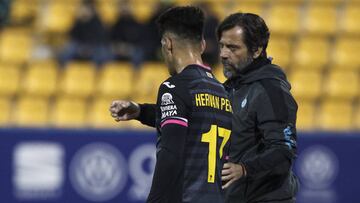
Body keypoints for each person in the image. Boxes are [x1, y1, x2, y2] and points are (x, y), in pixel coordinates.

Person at [109, 6, 232, 203]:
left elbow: (171, 153)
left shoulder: (174, 87)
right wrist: (141, 111)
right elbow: (194, 119)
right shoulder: (223, 92)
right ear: (201, 45)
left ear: (167, 44)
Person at [218, 13, 299, 203]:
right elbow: (196, 114)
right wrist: (142, 111)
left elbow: (283, 151)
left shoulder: (271, 90)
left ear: (256, 51)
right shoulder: (231, 87)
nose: (223, 54)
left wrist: (245, 168)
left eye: (232, 47)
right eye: (222, 45)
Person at [59, 0, 111, 67]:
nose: (84, 11)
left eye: (86, 9)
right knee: (67, 50)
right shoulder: (78, 21)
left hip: (94, 46)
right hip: (79, 46)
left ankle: (95, 73)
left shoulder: (98, 22)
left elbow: (101, 38)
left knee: (102, 53)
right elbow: (72, 36)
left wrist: (89, 48)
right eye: (83, 8)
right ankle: (64, 71)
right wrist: (79, 21)